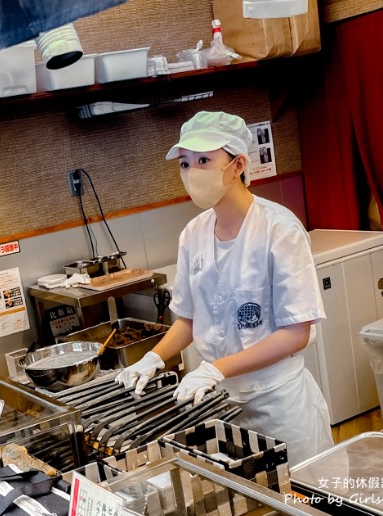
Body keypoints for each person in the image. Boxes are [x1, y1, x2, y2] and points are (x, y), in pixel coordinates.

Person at [116, 111, 333, 466]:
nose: (192, 173)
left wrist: (217, 367)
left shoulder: (279, 230)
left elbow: (295, 333)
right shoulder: (193, 235)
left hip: (278, 403)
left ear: (237, 165)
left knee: (306, 503)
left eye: (204, 160)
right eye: (185, 164)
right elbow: (188, 321)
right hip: (219, 404)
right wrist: (153, 358)